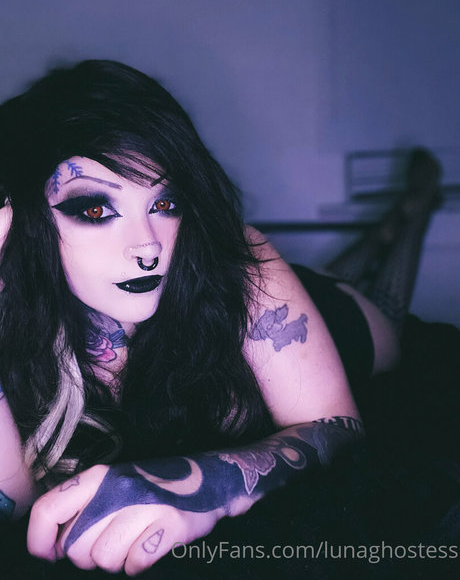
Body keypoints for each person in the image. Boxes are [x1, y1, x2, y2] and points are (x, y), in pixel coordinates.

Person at [0, 60, 435, 576]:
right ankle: (383, 233)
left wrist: (198, 488)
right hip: (265, 296)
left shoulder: (236, 260)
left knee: (385, 309)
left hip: (323, 317)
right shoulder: (16, 304)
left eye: (165, 203)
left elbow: (338, 428)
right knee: (334, 271)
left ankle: (412, 214)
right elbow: (17, 504)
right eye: (96, 210)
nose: (147, 247)